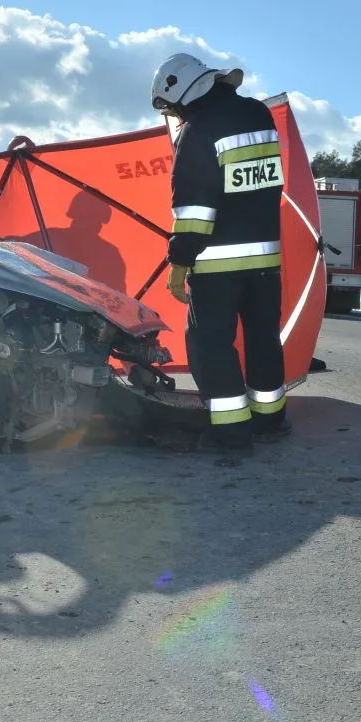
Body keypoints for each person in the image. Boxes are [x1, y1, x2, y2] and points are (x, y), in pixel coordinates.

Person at [150, 52, 293, 456]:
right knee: (264, 338)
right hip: (266, 260)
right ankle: (270, 419)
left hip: (217, 264)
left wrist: (179, 260)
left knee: (210, 345)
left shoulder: (198, 131)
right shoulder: (257, 116)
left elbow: (195, 207)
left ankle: (231, 435)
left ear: (183, 94)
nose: (175, 116)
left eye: (173, 108)